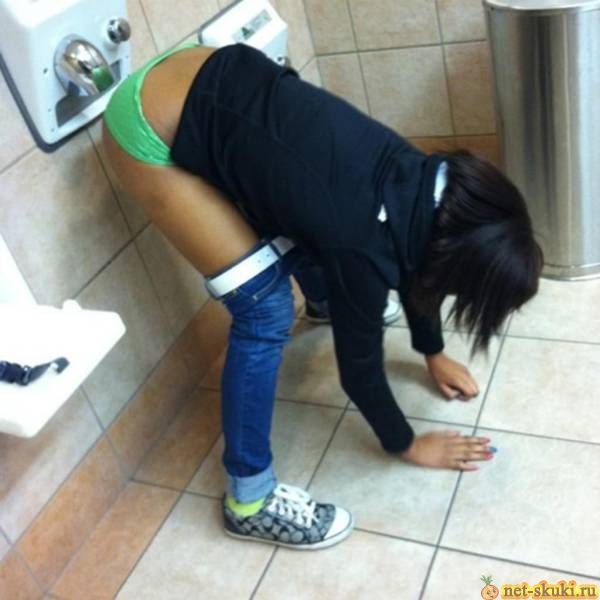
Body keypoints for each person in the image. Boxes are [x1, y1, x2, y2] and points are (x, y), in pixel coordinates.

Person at [102, 42, 543, 551]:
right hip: (145, 125)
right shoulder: (362, 246)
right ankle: (249, 500)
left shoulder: (426, 179)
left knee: (315, 226)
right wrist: (406, 445)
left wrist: (432, 351)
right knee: (266, 308)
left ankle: (326, 303)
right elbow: (359, 372)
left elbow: (420, 261)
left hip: (204, 73)